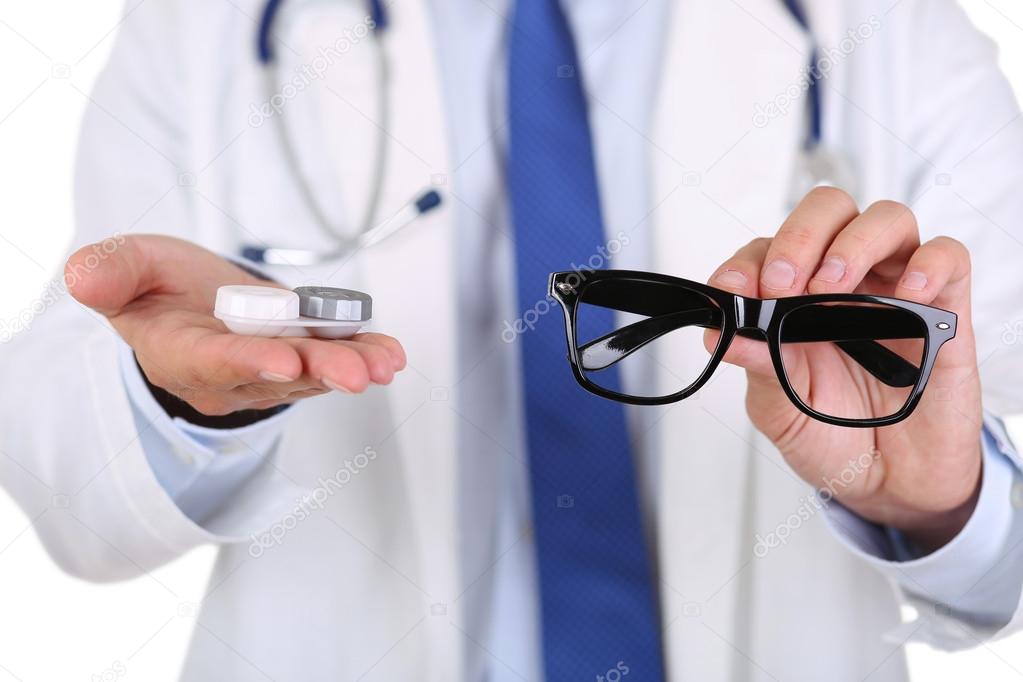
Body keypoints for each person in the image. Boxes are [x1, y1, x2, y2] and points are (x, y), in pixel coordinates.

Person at [3, 0, 1023, 680]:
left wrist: (932, 501)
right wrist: (170, 400)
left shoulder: (890, 27)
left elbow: (1004, 561)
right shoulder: (206, 28)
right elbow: (68, 491)